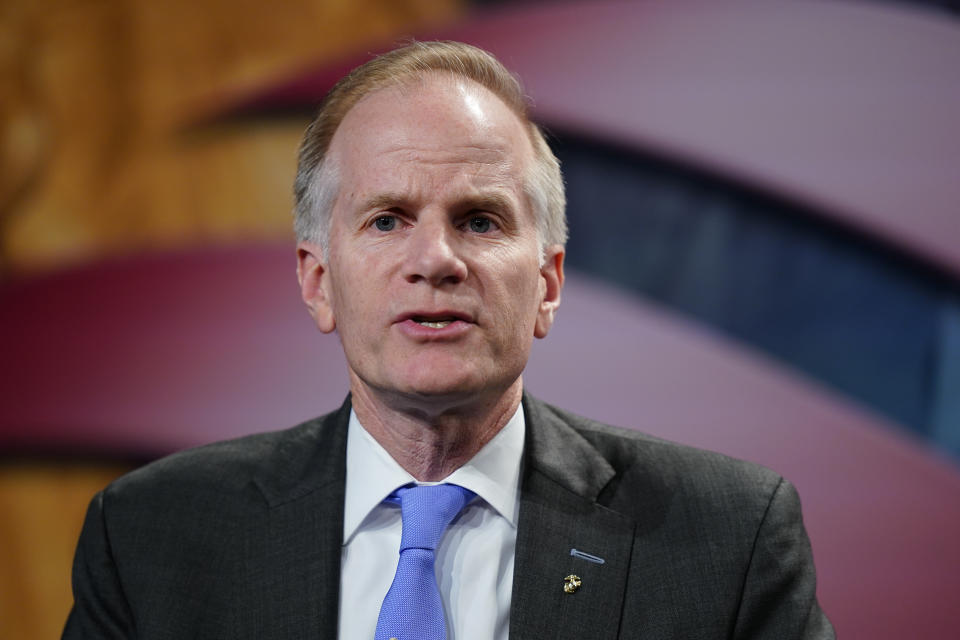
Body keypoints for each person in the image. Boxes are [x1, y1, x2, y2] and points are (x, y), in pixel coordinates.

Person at [64, 41, 834, 639]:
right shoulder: (152, 538)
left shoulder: (726, 538)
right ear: (317, 281)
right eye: (388, 219)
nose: (435, 260)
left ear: (548, 283)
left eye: (480, 221)